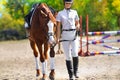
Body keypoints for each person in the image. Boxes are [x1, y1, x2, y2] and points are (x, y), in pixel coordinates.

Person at [56, 0, 80, 79]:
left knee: (75, 52)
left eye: (69, 3)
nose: (68, 5)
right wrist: (58, 38)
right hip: (65, 35)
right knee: (67, 56)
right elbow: (58, 27)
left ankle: (75, 72)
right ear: (64, 3)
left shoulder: (74, 12)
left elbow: (77, 23)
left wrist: (78, 26)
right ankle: (71, 75)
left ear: (71, 4)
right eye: (67, 3)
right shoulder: (60, 13)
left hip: (73, 35)